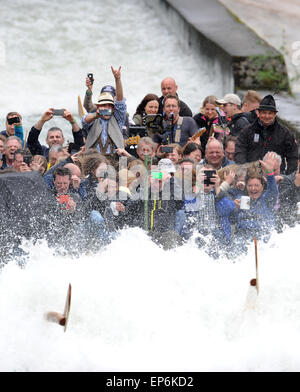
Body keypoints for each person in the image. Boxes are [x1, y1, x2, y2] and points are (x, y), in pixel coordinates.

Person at [234, 94, 299, 174]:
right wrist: (243, 171)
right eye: (264, 113)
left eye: (270, 113)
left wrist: (288, 176)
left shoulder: (285, 133)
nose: (267, 116)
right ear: (258, 112)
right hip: (252, 176)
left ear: (275, 114)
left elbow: (293, 156)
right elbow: (240, 152)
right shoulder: (247, 131)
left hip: (276, 176)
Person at [81, 66, 127, 156]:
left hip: (116, 160)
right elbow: (84, 120)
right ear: (98, 107)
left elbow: (120, 102)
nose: (106, 108)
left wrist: (117, 79)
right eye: (103, 105)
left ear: (113, 108)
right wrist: (96, 115)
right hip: (94, 160)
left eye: (110, 105)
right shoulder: (93, 117)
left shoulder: (118, 118)